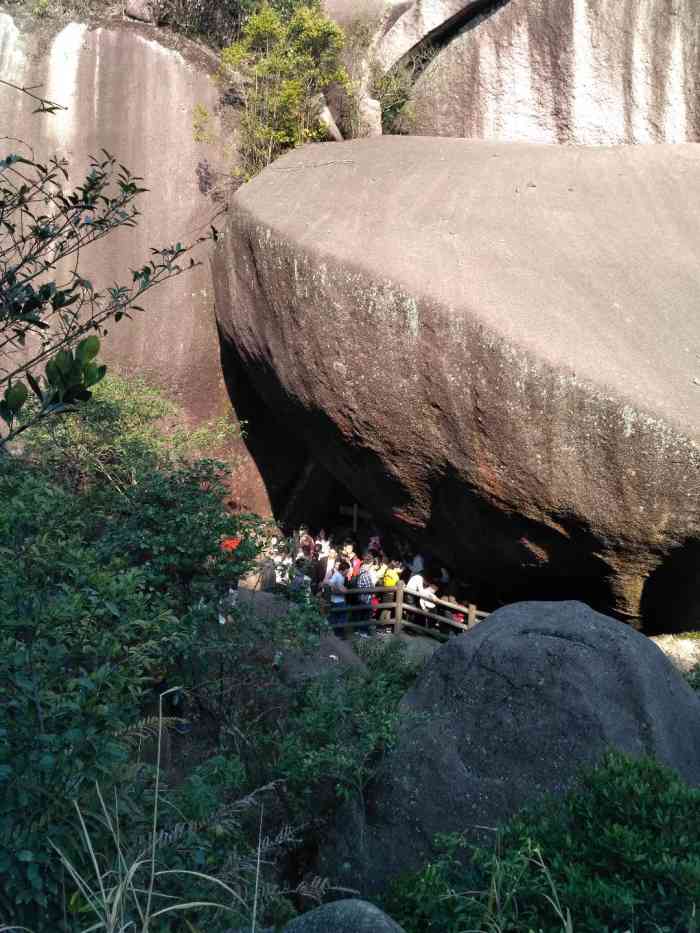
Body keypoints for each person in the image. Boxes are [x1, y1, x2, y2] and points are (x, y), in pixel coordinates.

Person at [329, 558, 350, 626]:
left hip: (340, 599)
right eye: (346, 571)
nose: (347, 572)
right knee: (341, 616)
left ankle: (337, 631)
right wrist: (339, 589)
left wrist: (343, 588)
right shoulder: (336, 575)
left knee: (338, 616)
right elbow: (330, 583)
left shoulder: (342, 576)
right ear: (341, 570)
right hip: (337, 600)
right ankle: (338, 631)